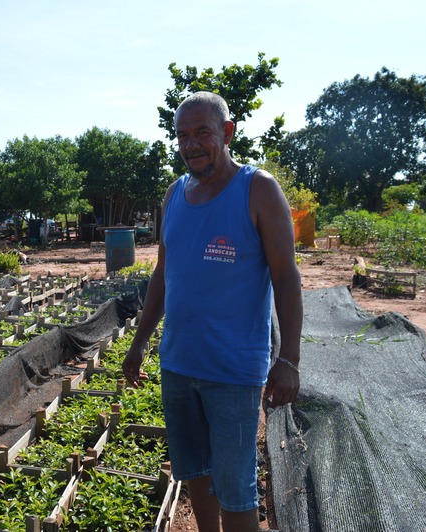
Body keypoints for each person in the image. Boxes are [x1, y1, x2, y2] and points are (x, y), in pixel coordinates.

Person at [122, 92, 303, 532]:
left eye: (202, 132)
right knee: (195, 475)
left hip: (233, 372)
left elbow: (286, 277)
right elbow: (164, 275)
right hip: (178, 365)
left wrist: (289, 359)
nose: (191, 144)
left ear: (227, 132)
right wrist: (140, 342)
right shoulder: (174, 195)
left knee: (236, 487)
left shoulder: (257, 189)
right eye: (182, 135)